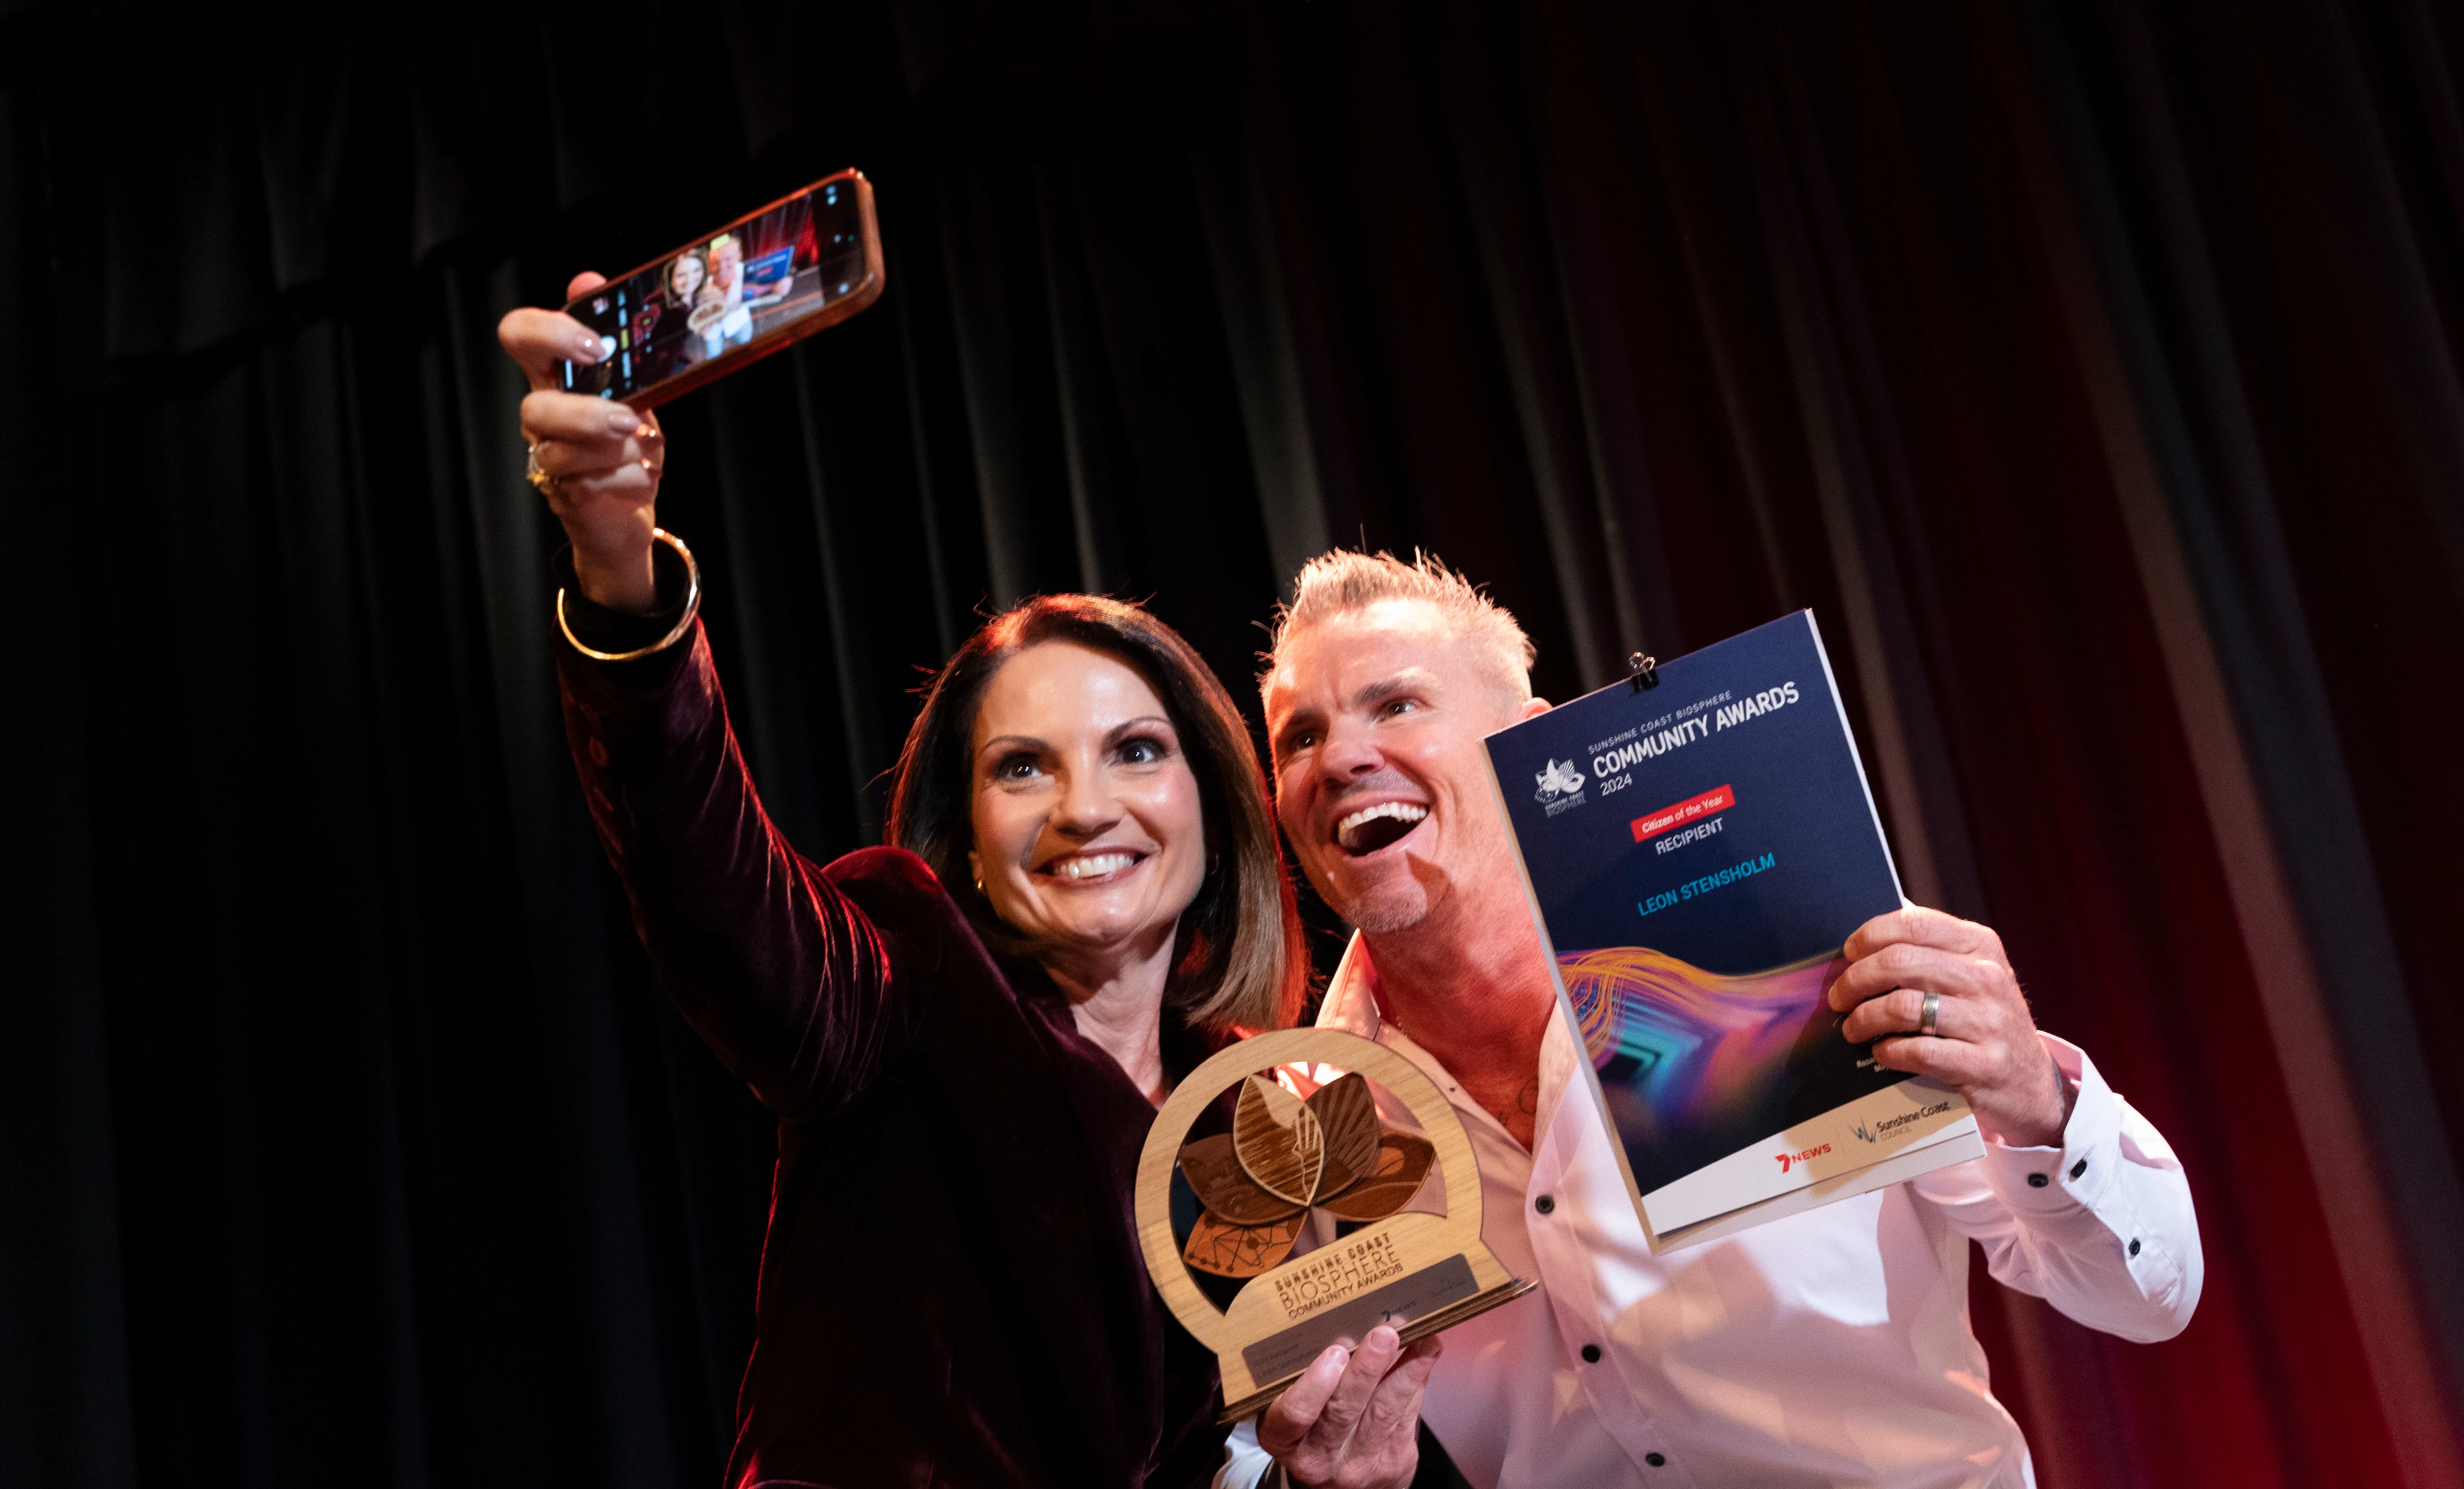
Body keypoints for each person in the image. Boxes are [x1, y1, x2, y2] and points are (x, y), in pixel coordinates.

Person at [499, 273, 1310, 1489]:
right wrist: (622, 575)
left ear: (1210, 796)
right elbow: (709, 881)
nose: (1087, 807)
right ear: (968, 837)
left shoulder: (1261, 1105)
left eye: (1136, 751)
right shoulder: (901, 979)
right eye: (1023, 768)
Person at [1223, 550, 2202, 1489]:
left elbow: (2145, 1295)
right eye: (1298, 737)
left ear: (1527, 744)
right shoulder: (1303, 1130)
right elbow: (1253, 1448)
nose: (1341, 757)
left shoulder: (1788, 957)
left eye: (1394, 704)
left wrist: (2033, 1094)